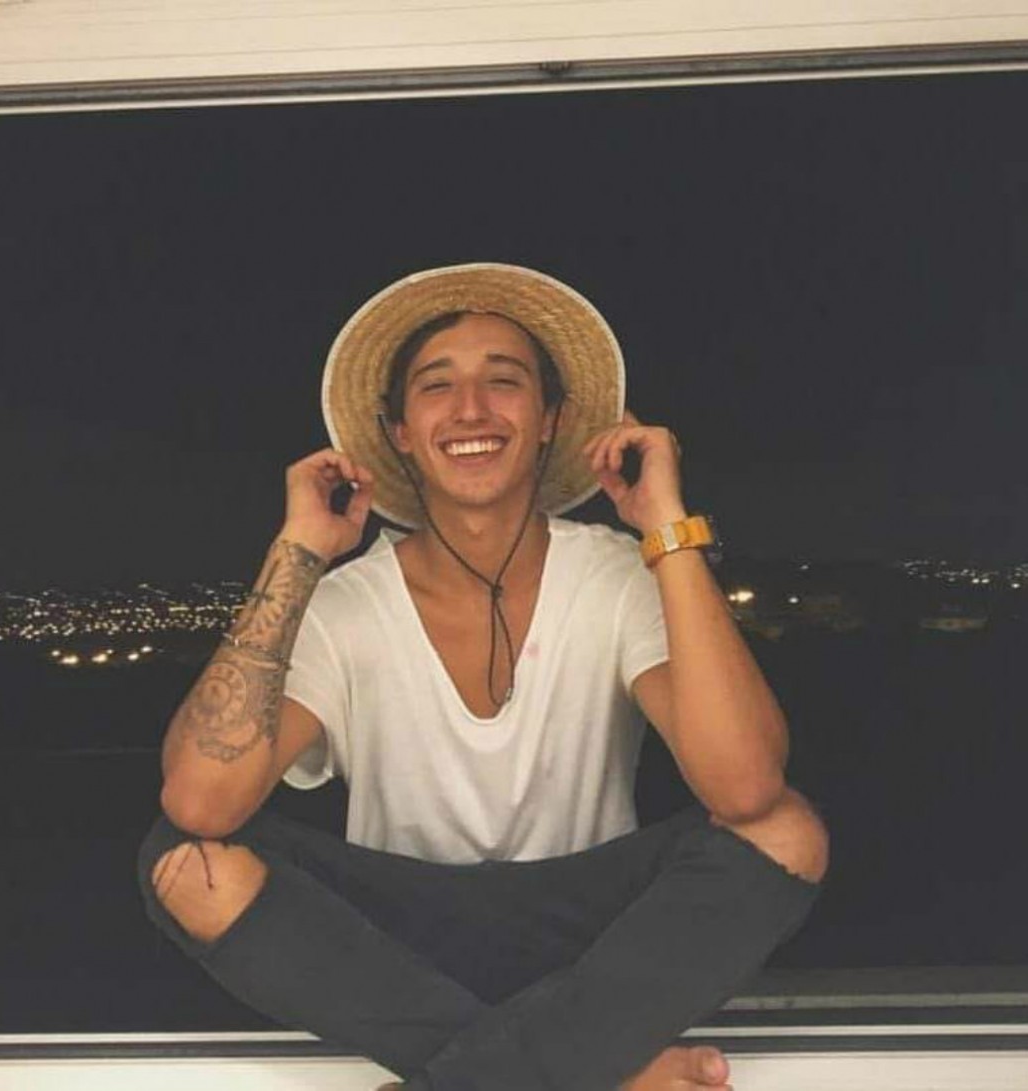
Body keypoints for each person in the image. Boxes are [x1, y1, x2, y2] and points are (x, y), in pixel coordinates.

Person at [138, 263, 829, 1091]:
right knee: (185, 860)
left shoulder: (613, 574)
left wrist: (666, 524)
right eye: (437, 386)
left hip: (588, 930)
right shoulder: (346, 605)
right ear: (400, 431)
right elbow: (200, 802)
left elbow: (746, 787)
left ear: (550, 420)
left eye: (504, 381)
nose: (471, 409)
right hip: (399, 939)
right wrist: (298, 548)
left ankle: (473, 1074)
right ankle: (592, 1068)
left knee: (787, 832)